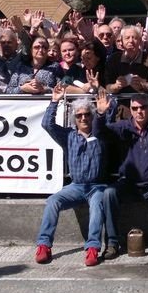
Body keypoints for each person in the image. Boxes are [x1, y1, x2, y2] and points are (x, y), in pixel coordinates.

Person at [35, 87, 112, 267]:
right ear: (74, 119)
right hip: (76, 186)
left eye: (87, 114)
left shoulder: (100, 134)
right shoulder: (69, 136)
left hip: (97, 186)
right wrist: (54, 102)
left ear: (92, 116)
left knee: (97, 204)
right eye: (79, 116)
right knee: (53, 201)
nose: (83, 118)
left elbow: (104, 122)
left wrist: (101, 113)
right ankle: (44, 245)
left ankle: (92, 248)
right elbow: (47, 125)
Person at [100, 93, 148, 251]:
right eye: (135, 108)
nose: (139, 111)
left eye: (143, 107)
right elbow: (100, 133)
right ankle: (112, 244)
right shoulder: (122, 127)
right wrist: (101, 114)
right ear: (130, 110)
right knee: (109, 193)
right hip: (128, 184)